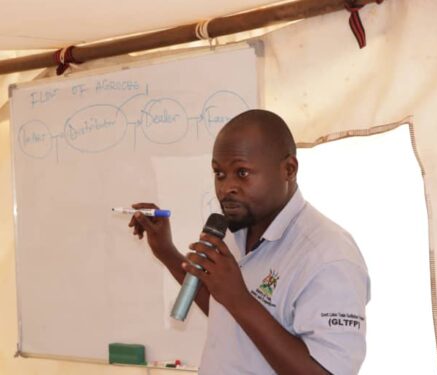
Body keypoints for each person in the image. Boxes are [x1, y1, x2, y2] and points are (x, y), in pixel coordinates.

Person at [128, 109, 370, 375]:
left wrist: (240, 299)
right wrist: (166, 251)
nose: (226, 188)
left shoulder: (329, 257)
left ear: (288, 169)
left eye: (241, 173)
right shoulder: (237, 231)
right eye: (219, 174)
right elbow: (226, 313)